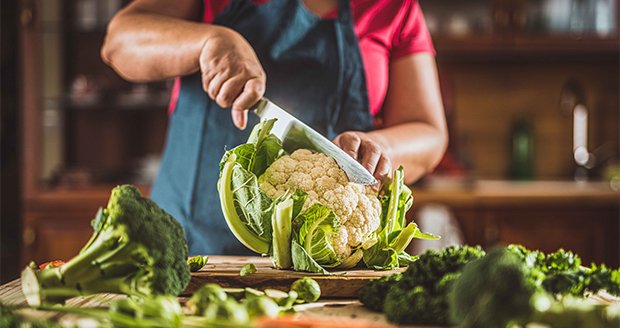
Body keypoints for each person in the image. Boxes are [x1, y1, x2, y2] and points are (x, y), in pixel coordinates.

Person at [101, 0, 448, 255]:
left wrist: (382, 148)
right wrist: (207, 41)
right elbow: (119, 42)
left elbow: (429, 132)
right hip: (187, 247)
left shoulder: (394, 8)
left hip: (326, 265)